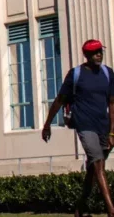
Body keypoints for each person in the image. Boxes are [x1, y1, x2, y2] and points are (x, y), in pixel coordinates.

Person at [43, 39, 114, 217]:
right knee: (97, 162)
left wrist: (112, 131)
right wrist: (47, 124)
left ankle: (79, 209)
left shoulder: (108, 73)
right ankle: (112, 211)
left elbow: (112, 103)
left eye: (100, 51)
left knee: (93, 169)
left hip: (104, 127)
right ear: (86, 55)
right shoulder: (76, 74)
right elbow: (60, 100)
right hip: (85, 125)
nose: (99, 54)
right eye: (94, 52)